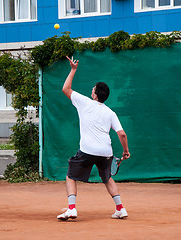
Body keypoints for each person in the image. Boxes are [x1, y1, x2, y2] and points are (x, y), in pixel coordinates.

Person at [57, 56, 131, 221]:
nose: (91, 90)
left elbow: (66, 89)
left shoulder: (84, 102)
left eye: (93, 89)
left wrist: (73, 69)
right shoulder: (110, 112)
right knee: (107, 178)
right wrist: (126, 151)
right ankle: (120, 208)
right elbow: (122, 134)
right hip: (106, 152)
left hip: (87, 150)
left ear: (96, 95)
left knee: (70, 176)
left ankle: (71, 209)